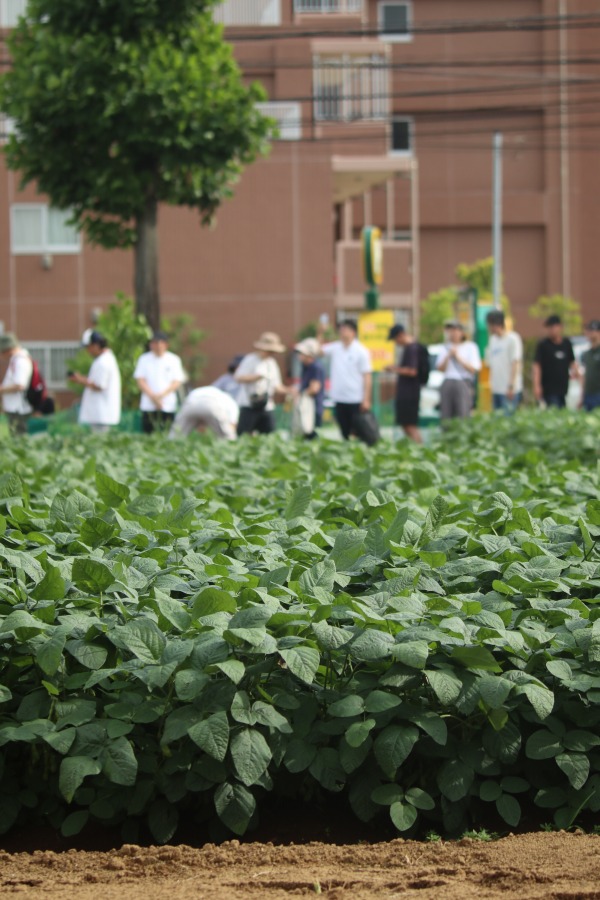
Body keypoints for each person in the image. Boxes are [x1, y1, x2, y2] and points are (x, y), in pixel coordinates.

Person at [318, 319, 372, 440]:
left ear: (353, 332)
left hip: (356, 398)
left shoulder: (361, 351)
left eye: (345, 330)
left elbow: (367, 376)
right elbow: (318, 351)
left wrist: (366, 399)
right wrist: (320, 333)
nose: (342, 333)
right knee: (344, 430)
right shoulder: (336, 348)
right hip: (339, 398)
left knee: (360, 430)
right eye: (340, 330)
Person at [234, 332, 287, 435]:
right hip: (248, 404)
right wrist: (256, 377)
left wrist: (289, 391)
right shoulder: (250, 360)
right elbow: (238, 377)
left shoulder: (271, 363)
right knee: (244, 434)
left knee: (269, 434)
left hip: (266, 405)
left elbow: (277, 386)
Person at [68, 331, 121, 433]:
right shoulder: (104, 359)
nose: (88, 351)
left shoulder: (103, 362)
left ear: (96, 345)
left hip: (101, 415)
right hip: (100, 415)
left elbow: (98, 385)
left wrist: (80, 380)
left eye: (89, 347)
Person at [134, 330, 185, 434]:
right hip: (148, 404)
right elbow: (140, 380)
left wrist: (161, 396)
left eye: (160, 342)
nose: (157, 345)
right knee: (148, 434)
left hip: (167, 405)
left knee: (168, 433)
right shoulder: (144, 359)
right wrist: (153, 397)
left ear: (166, 344)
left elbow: (176, 382)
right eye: (154, 343)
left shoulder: (174, 359)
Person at [436, 321, 481, 422]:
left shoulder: (471, 347)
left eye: (455, 330)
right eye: (450, 331)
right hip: (448, 381)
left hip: (463, 381)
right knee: (446, 415)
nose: (453, 333)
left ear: (462, 332)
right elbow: (440, 369)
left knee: (463, 413)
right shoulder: (445, 347)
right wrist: (448, 355)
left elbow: (473, 369)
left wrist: (457, 357)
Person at [387, 323, 422, 444]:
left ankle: (419, 449)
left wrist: (394, 369)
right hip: (408, 393)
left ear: (401, 335)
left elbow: (412, 371)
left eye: (395, 339)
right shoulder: (409, 348)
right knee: (406, 424)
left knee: (410, 425)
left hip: (410, 393)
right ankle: (416, 448)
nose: (396, 342)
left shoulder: (412, 348)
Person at [532, 314, 577, 408]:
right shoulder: (543, 345)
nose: (550, 330)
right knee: (553, 410)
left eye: (552, 327)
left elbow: (572, 363)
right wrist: (537, 385)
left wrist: (577, 374)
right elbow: (537, 366)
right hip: (549, 389)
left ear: (559, 327)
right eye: (549, 327)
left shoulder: (566, 344)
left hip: (564, 388)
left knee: (563, 411)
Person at [486, 310, 524, 412]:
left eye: (489, 324)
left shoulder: (513, 339)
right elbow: (489, 363)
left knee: (508, 421)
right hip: (496, 389)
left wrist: (511, 386)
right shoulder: (492, 340)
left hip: (509, 390)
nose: (488, 328)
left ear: (496, 324)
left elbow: (515, 362)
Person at [170, 386, 239, 440]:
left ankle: (170, 446)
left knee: (177, 433)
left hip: (191, 404)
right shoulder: (231, 401)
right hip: (212, 404)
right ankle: (230, 449)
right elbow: (232, 424)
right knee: (227, 436)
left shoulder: (209, 391)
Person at [0, 332, 33, 435]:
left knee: (19, 438)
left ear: (8, 350)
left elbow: (20, 385)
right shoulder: (15, 360)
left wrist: (1, 389)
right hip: (14, 409)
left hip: (19, 410)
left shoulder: (20, 361)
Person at [294, 338, 325, 439]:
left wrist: (300, 394)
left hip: (313, 409)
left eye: (302, 353)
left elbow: (314, 388)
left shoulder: (315, 367)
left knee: (312, 437)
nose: (300, 356)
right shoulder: (305, 366)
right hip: (306, 408)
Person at [581, 319, 600, 412]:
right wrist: (582, 395)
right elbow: (585, 375)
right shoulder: (586, 354)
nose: (589, 333)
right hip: (588, 394)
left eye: (592, 330)